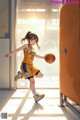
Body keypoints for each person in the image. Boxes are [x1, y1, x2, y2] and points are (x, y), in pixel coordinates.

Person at [5, 31, 45, 103]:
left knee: (40, 75)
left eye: (35, 40)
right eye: (33, 40)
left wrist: (43, 57)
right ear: (29, 39)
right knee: (32, 81)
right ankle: (36, 96)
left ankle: (21, 75)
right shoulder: (26, 46)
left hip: (31, 66)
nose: (34, 42)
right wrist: (9, 54)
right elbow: (17, 50)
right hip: (25, 66)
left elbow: (35, 55)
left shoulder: (32, 48)